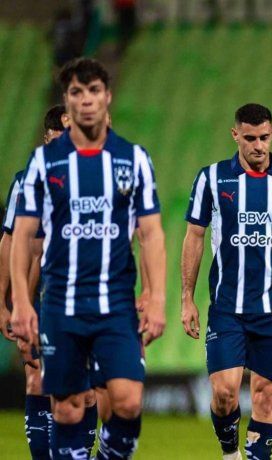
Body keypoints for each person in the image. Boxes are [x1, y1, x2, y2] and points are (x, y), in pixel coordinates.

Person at [10, 57, 166, 460]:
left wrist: (157, 296)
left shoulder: (133, 160)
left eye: (93, 90)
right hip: (61, 303)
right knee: (66, 407)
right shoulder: (44, 164)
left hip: (115, 304)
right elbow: (23, 236)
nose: (86, 100)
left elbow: (150, 233)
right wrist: (23, 304)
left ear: (107, 97)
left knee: (128, 402)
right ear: (67, 100)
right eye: (77, 92)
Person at [181, 103, 272, 460]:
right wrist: (186, 298)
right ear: (235, 135)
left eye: (264, 137)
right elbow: (194, 236)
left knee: (266, 397)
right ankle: (230, 452)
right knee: (224, 393)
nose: (258, 145)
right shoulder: (212, 178)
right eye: (250, 138)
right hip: (227, 309)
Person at [0, 104, 101, 459]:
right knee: (38, 381)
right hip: (40, 297)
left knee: (85, 392)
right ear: (47, 139)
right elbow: (11, 241)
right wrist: (5, 301)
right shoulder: (27, 182)